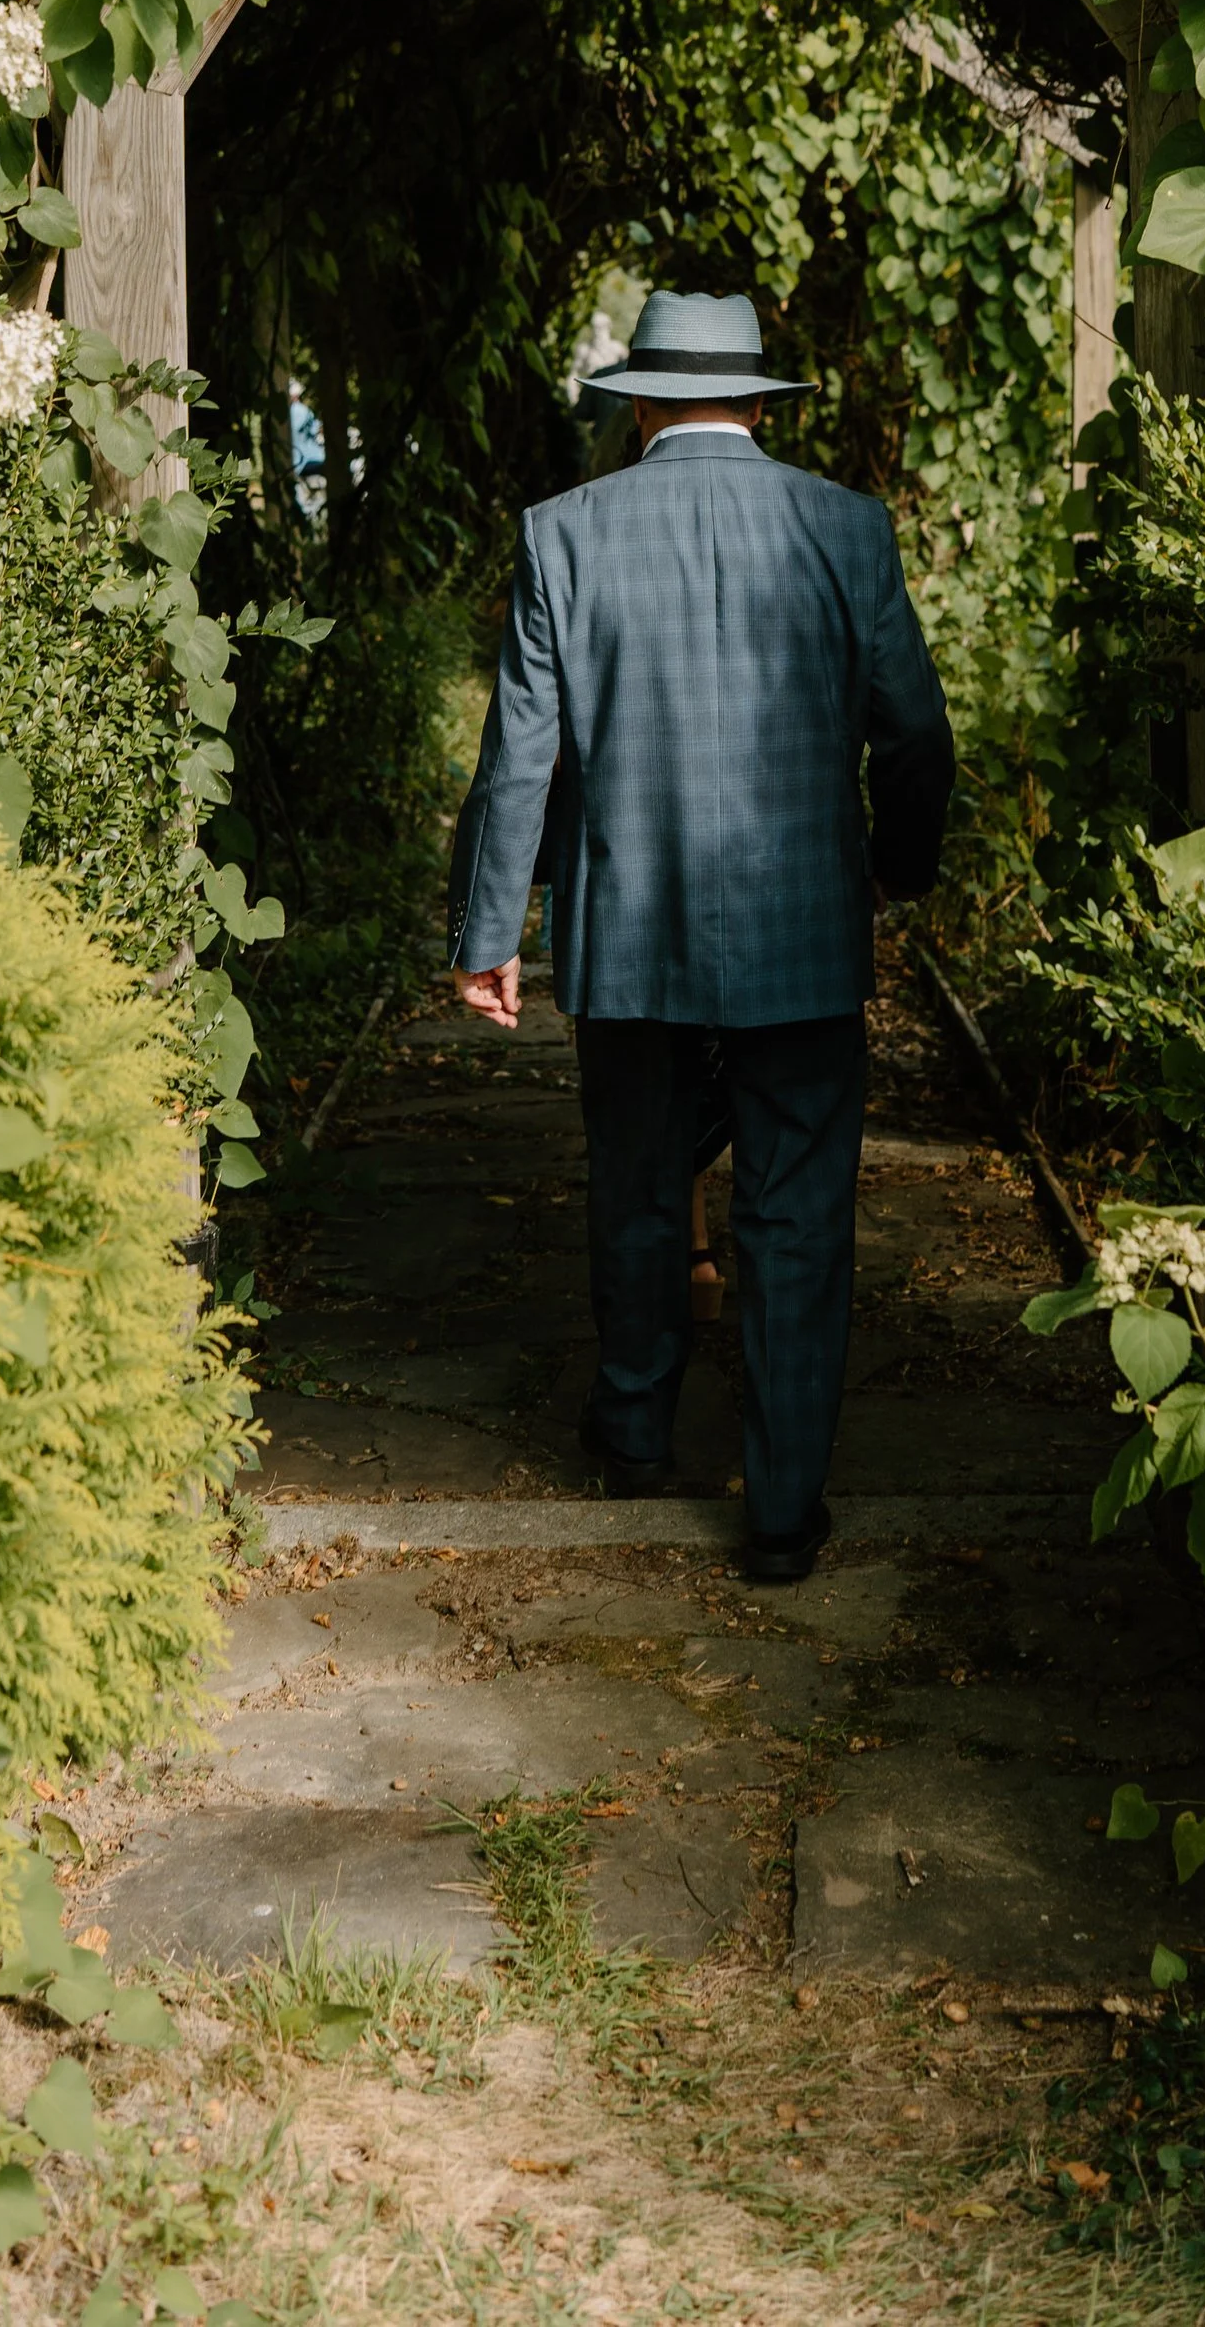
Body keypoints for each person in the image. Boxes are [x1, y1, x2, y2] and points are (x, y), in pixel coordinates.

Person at [447, 289, 955, 1582]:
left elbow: (521, 757)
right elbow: (914, 733)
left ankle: (633, 1434)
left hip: (632, 933)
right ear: (754, 399)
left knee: (635, 1181)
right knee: (797, 1217)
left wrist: (488, 928)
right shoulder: (847, 527)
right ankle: (782, 1510)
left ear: (642, 407)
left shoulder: (565, 535)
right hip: (803, 940)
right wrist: (897, 869)